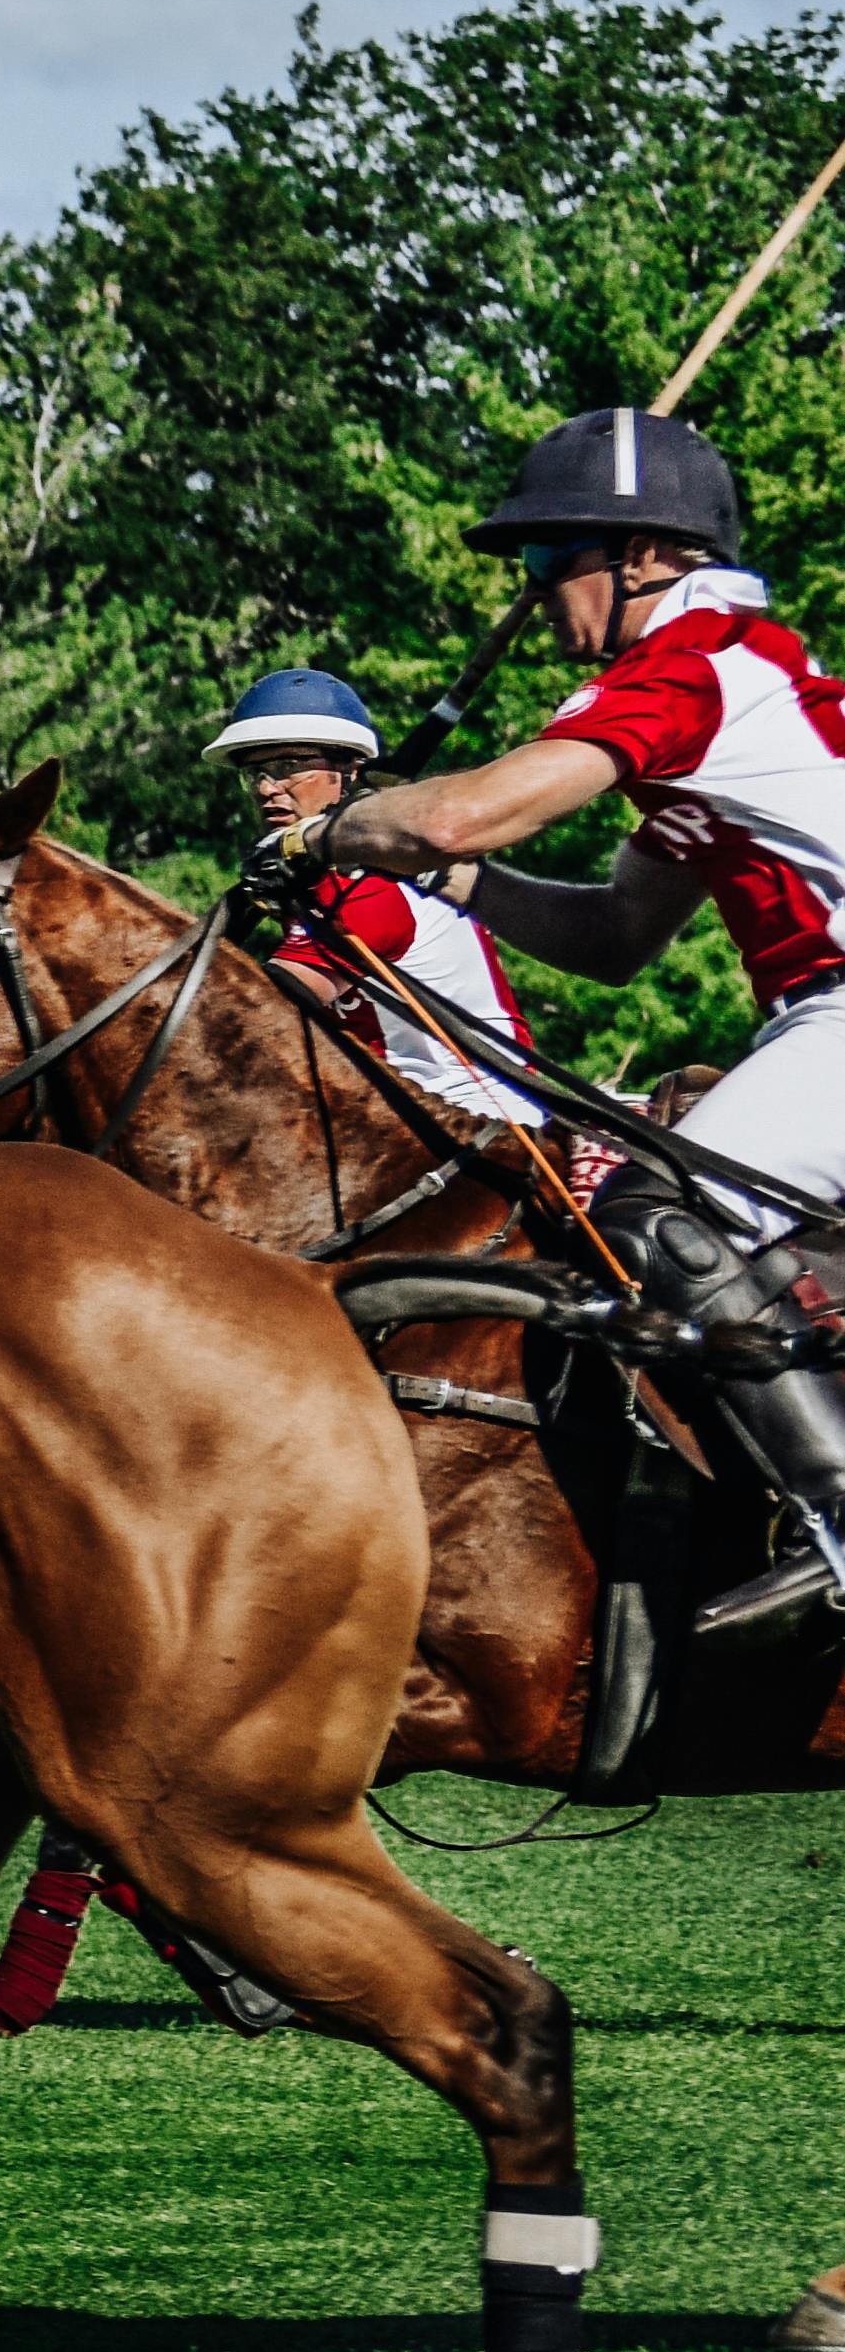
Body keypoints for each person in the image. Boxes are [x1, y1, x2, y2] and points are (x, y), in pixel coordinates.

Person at [315, 402, 845, 1631]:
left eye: (557, 559)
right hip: (816, 1016)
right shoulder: (732, 695)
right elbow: (613, 938)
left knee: (651, 1206)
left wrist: (336, 830)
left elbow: (466, 810)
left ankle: (835, 1510)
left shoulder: (696, 666)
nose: (540, 591)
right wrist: (441, 880)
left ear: (648, 558)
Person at [207, 667, 544, 1129]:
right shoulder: (317, 878)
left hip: (480, 1125)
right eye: (256, 773)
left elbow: (259, 1014)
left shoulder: (371, 883)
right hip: (392, 1112)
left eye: (288, 769)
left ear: (348, 773)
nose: (267, 788)